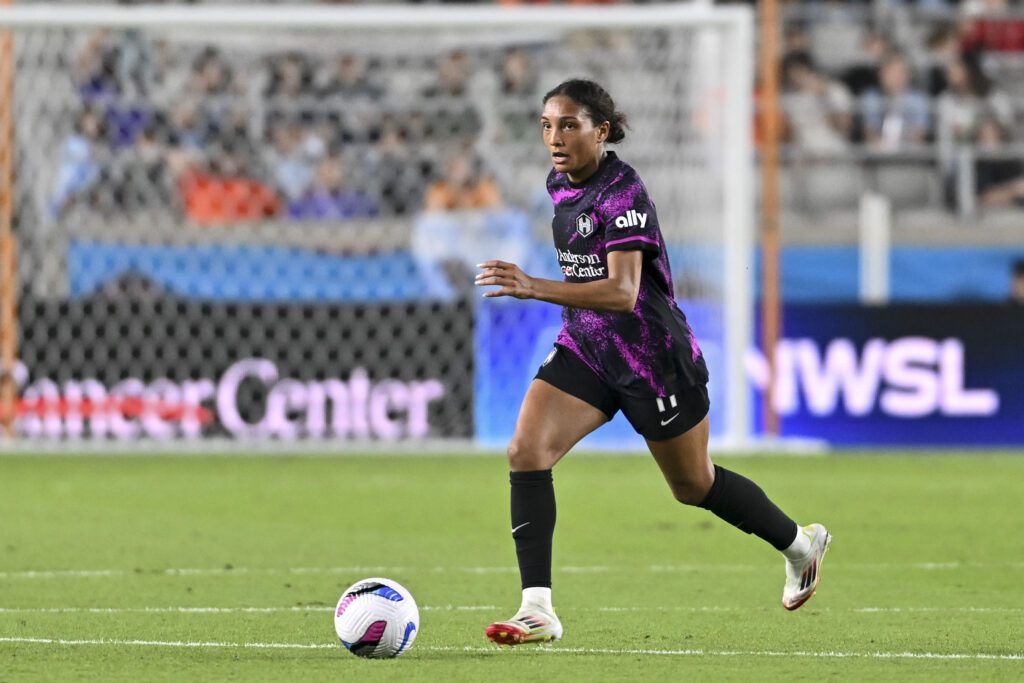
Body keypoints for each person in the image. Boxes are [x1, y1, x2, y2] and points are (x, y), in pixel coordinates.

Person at [475, 79, 831, 646]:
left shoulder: (623, 194)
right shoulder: (559, 184)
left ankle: (799, 544)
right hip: (587, 350)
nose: (555, 138)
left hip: (651, 360)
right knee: (526, 450)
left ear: (603, 130)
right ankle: (537, 608)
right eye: (547, 125)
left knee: (693, 485)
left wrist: (533, 287)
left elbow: (622, 292)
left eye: (569, 125)